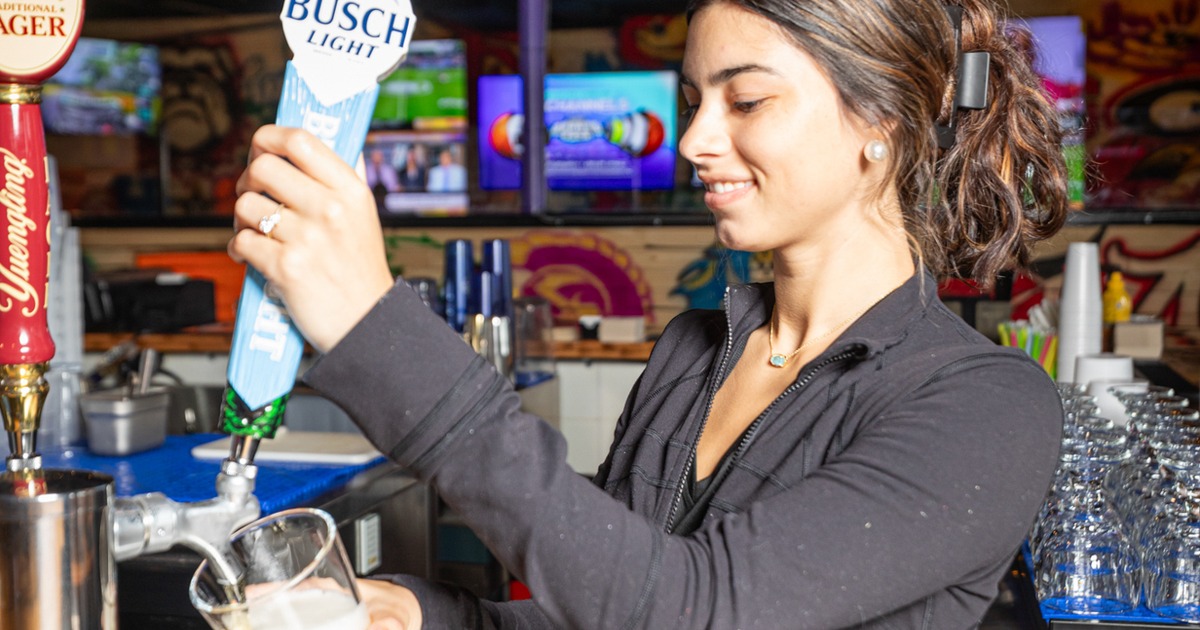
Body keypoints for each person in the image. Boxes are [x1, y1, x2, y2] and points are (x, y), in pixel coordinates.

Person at [228, 0, 1069, 627]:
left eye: (746, 101)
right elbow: (608, 600)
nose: (694, 140)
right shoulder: (695, 350)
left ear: (881, 118)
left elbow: (691, 609)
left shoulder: (986, 406)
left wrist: (376, 323)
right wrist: (421, 615)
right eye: (695, 100)